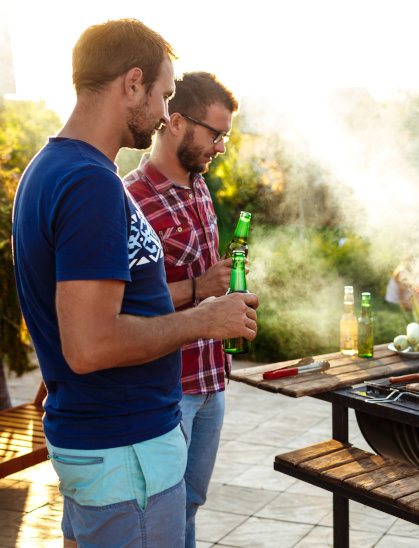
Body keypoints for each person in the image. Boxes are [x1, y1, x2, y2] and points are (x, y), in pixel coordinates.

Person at [11, 19, 258, 548]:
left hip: (113, 452)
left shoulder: (55, 169)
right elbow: (89, 344)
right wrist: (203, 318)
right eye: (165, 95)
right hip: (125, 454)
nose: (167, 114)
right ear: (132, 83)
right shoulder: (88, 184)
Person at [124, 71, 238, 548]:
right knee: (163, 515)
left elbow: (205, 281)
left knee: (190, 503)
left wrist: (224, 290)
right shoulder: (131, 197)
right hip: (171, 389)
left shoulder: (198, 186)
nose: (220, 148)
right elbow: (124, 303)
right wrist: (198, 286)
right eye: (216, 135)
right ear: (175, 122)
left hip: (212, 381)